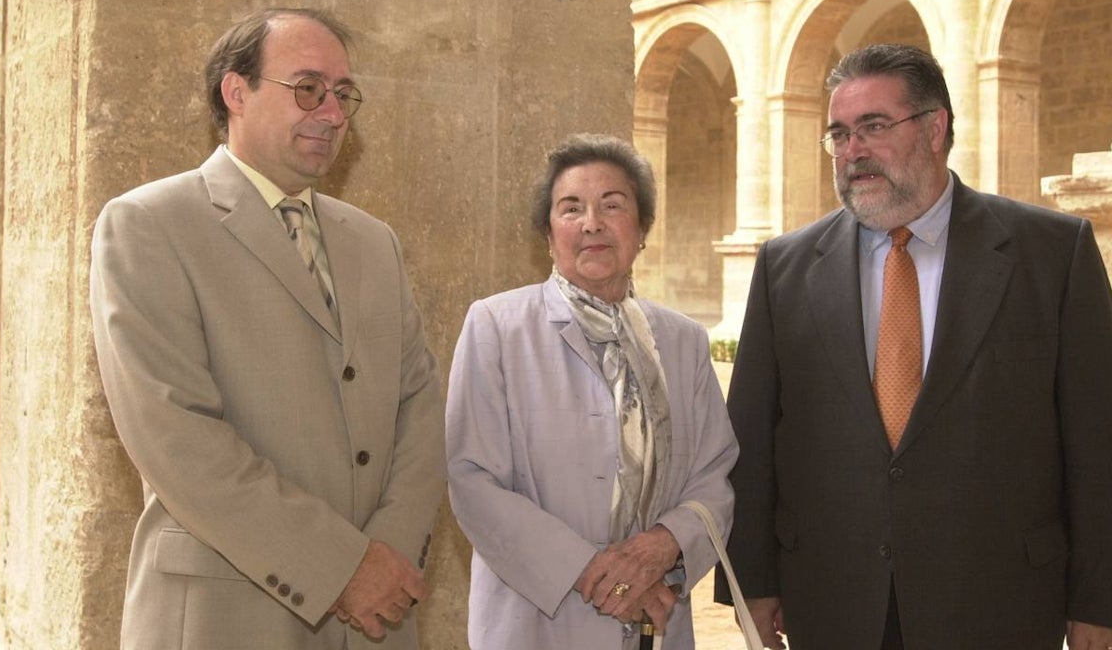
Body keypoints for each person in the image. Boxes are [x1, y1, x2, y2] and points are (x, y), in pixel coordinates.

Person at [715, 43, 1112, 650]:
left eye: (873, 127)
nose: (853, 152)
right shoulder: (784, 267)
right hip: (833, 599)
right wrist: (751, 583)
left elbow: (1096, 442)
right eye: (840, 135)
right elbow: (754, 440)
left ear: (934, 128)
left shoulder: (1052, 253)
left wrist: (1097, 601)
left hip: (1000, 603)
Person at [90, 8, 445, 650]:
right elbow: (176, 436)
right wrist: (343, 566)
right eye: (308, 88)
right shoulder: (148, 224)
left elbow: (419, 404)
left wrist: (386, 552)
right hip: (228, 614)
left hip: (377, 618)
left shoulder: (373, 241)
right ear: (236, 91)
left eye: (343, 95)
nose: (332, 113)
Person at [446, 133, 739, 649]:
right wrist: (603, 576)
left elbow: (714, 477)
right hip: (539, 621)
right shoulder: (496, 326)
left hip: (659, 620)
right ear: (548, 232)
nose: (592, 223)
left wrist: (663, 548)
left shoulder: (683, 341)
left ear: (642, 228)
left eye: (612, 205)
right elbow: (473, 481)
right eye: (571, 208)